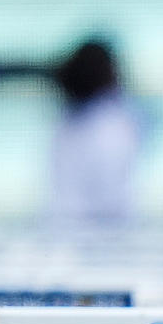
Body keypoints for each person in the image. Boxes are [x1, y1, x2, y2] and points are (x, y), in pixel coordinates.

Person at [45, 39, 142, 226]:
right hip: (100, 235)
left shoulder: (66, 123)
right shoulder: (113, 125)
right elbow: (111, 200)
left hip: (70, 230)